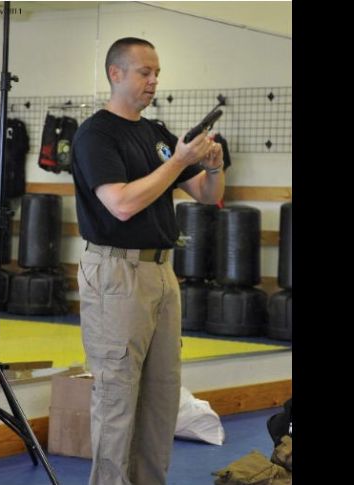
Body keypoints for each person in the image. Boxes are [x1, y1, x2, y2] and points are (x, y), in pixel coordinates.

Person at [71, 38, 225, 485]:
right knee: (117, 398)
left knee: (161, 397)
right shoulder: (95, 135)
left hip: (160, 272)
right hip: (117, 273)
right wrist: (178, 162)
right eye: (144, 72)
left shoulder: (156, 133)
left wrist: (212, 166)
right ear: (115, 74)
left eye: (157, 73)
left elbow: (207, 196)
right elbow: (120, 204)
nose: (154, 80)